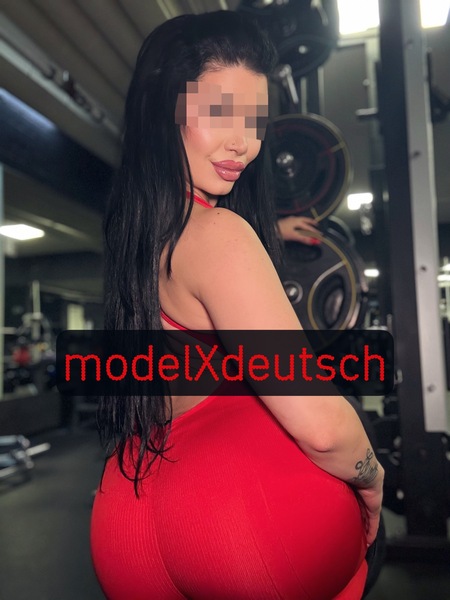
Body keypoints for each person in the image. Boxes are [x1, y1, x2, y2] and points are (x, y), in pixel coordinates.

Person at [91, 10, 384, 600]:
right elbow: (322, 429)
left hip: (127, 510)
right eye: (220, 113)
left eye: (255, 121)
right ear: (164, 109)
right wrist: (372, 477)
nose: (244, 143)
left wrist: (270, 231)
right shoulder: (221, 236)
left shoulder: (138, 236)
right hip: (233, 520)